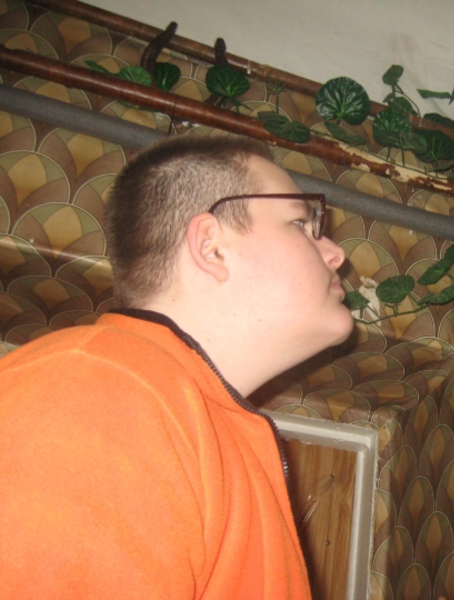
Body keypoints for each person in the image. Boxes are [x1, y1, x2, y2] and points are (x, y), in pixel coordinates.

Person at [0, 135, 354, 599]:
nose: (336, 253)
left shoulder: (200, 421)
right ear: (212, 247)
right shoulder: (90, 394)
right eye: (301, 223)